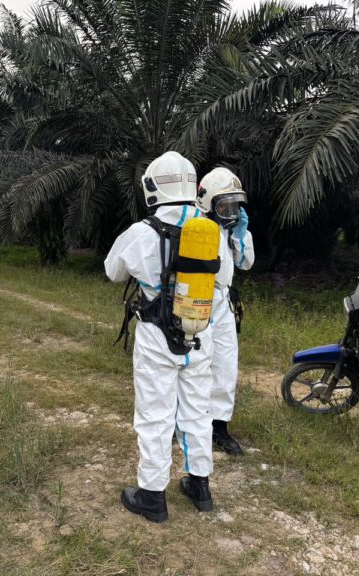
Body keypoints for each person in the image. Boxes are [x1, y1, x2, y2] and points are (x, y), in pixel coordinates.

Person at [104, 151, 218, 523]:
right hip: (199, 330)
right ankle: (199, 486)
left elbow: (113, 272)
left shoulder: (142, 231)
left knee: (155, 415)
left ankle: (152, 496)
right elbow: (225, 278)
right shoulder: (209, 229)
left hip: (156, 334)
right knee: (198, 410)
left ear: (153, 187)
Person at [196, 167, 254, 455]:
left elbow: (245, 263)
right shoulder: (194, 226)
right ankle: (185, 422)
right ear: (208, 203)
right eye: (224, 205)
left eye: (234, 205)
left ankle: (219, 427)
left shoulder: (230, 231)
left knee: (225, 363)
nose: (230, 212)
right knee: (193, 363)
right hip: (197, 298)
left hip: (223, 301)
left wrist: (241, 236)